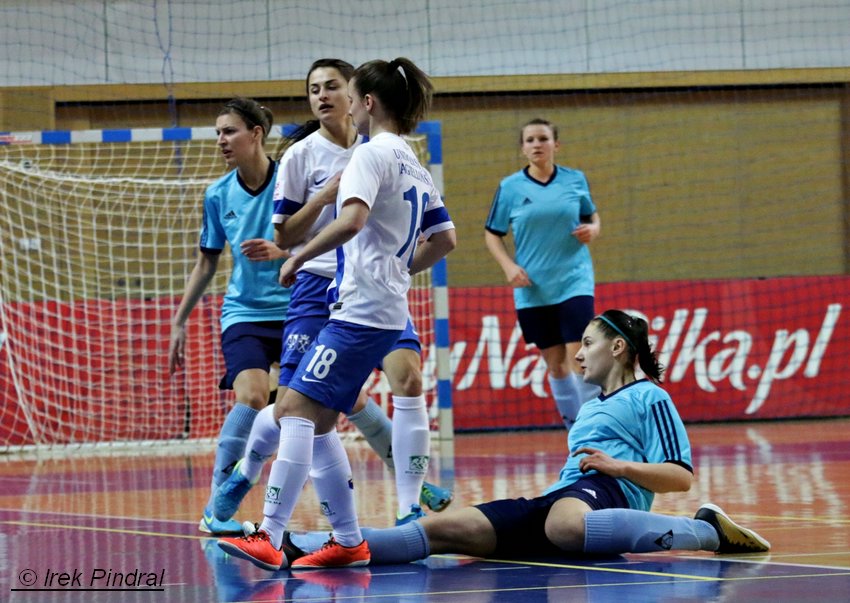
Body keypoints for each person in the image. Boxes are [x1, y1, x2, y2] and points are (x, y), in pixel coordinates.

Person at [271, 310, 771, 566]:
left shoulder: (650, 398)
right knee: (446, 529)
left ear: (619, 348)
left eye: (589, 345)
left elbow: (680, 477)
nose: (578, 356)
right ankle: (303, 544)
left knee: (567, 526)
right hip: (561, 498)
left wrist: (620, 469)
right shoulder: (591, 407)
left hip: (604, 495)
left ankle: (708, 531)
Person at [218, 57, 457, 570]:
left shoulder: (370, 154)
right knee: (318, 421)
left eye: (343, 90)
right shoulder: (412, 160)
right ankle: (348, 541)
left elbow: (350, 221)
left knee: (292, 411)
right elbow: (446, 238)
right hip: (385, 307)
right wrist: (398, 270)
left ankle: (269, 533)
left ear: (365, 103)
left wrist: (297, 256)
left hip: (359, 312)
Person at [168, 97, 290, 536]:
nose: (221, 140)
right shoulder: (218, 195)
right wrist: (179, 320)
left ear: (256, 133)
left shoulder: (291, 180)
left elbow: (324, 240)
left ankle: (411, 484)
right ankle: (219, 500)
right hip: (244, 312)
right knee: (254, 396)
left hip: (298, 309)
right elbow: (206, 263)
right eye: (218, 132)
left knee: (335, 404)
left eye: (229, 131)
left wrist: (286, 252)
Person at [484, 118, 602, 431]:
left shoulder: (575, 180)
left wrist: (593, 229)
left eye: (543, 138)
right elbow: (492, 233)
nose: (537, 144)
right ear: (523, 149)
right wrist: (508, 266)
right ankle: (574, 430)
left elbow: (592, 216)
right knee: (555, 363)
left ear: (555, 145)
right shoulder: (510, 188)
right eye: (530, 140)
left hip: (574, 280)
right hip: (533, 287)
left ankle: (594, 431)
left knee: (580, 355)